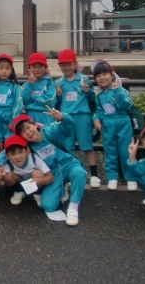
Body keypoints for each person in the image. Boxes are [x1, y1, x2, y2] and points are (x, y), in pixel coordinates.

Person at [5, 111, 88, 226]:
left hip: (68, 164)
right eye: (23, 132)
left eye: (28, 127)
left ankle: (73, 208)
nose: (28, 133)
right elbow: (7, 151)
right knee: (47, 206)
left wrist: (63, 117)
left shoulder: (50, 132)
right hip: (53, 173)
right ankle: (62, 187)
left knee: (79, 172)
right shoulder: (28, 147)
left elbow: (68, 127)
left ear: (34, 124)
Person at [55, 49, 101, 188]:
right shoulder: (59, 82)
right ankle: (67, 176)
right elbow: (56, 103)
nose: (67, 67)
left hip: (83, 116)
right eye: (63, 65)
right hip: (66, 118)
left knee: (87, 146)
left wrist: (88, 91)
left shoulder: (83, 79)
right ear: (59, 66)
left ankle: (94, 175)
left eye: (69, 64)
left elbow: (93, 99)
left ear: (75, 63)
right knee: (66, 148)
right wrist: (57, 95)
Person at [91, 60, 138, 191]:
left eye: (105, 73)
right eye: (98, 75)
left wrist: (118, 92)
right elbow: (99, 111)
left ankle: (130, 178)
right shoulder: (99, 96)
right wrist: (96, 119)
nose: (102, 77)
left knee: (125, 151)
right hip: (108, 125)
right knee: (110, 151)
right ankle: (112, 177)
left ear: (112, 75)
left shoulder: (120, 90)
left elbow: (126, 105)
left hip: (123, 122)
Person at [0, 135, 54, 208]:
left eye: (20, 152)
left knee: (38, 173)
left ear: (27, 151)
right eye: (12, 154)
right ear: (7, 155)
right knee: (7, 176)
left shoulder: (34, 159)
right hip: (20, 181)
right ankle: (19, 191)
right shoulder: (7, 163)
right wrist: (0, 176)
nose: (17, 157)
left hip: (34, 181)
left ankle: (38, 193)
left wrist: (39, 181)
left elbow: (51, 177)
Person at [21, 52, 56, 126]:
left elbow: (50, 100)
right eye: (34, 66)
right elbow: (24, 100)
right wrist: (30, 85)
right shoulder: (27, 85)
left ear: (45, 67)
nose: (37, 69)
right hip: (31, 115)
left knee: (46, 136)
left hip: (46, 115)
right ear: (29, 68)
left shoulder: (50, 82)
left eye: (40, 66)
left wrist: (34, 97)